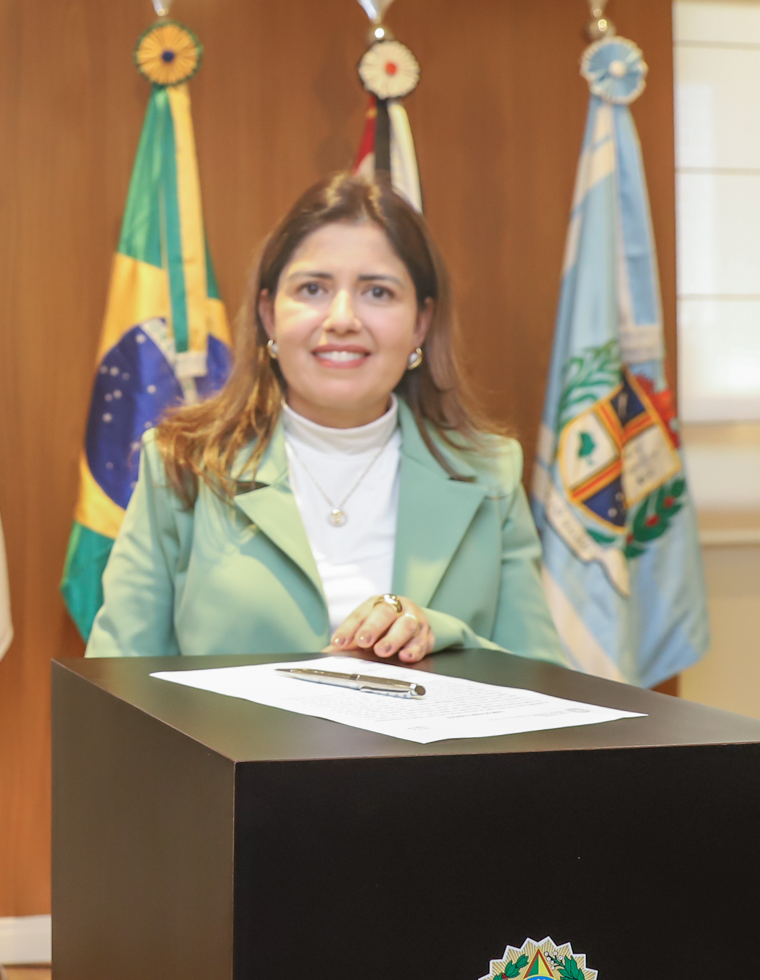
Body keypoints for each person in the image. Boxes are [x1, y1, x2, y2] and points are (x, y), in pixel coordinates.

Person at [86, 174, 568, 665]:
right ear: (269, 313)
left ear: (421, 322)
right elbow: (116, 683)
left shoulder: (489, 473)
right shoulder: (183, 464)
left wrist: (439, 633)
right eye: (313, 288)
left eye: (377, 292)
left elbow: (547, 688)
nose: (342, 318)